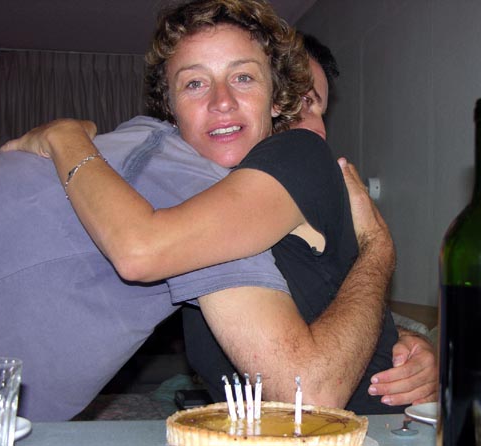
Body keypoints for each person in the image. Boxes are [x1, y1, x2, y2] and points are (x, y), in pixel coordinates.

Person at [0, 0, 424, 418]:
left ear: (277, 99)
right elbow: (313, 305)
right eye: (195, 83)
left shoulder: (298, 152)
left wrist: (64, 136)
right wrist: (402, 336)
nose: (221, 101)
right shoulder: (197, 200)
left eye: (243, 78)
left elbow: (140, 249)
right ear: (171, 109)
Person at [180, 32, 438, 410]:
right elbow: (309, 381)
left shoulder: (297, 193)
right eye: (299, 102)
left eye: (318, 108)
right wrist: (379, 248)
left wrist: (408, 343)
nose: (318, 131)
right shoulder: (202, 210)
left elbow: (325, 318)